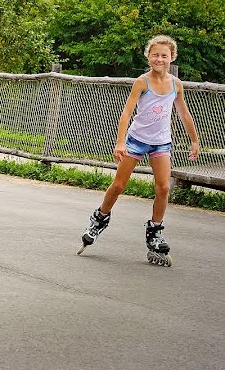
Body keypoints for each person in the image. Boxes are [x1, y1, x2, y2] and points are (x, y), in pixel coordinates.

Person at [78, 35, 200, 266]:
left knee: (163, 187)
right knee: (118, 185)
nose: (159, 59)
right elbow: (126, 113)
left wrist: (194, 140)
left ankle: (154, 232)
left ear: (172, 57)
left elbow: (184, 113)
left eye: (164, 55)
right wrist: (120, 142)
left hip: (161, 142)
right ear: (148, 56)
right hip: (136, 140)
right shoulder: (142, 82)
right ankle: (99, 219)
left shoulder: (176, 84)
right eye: (155, 55)